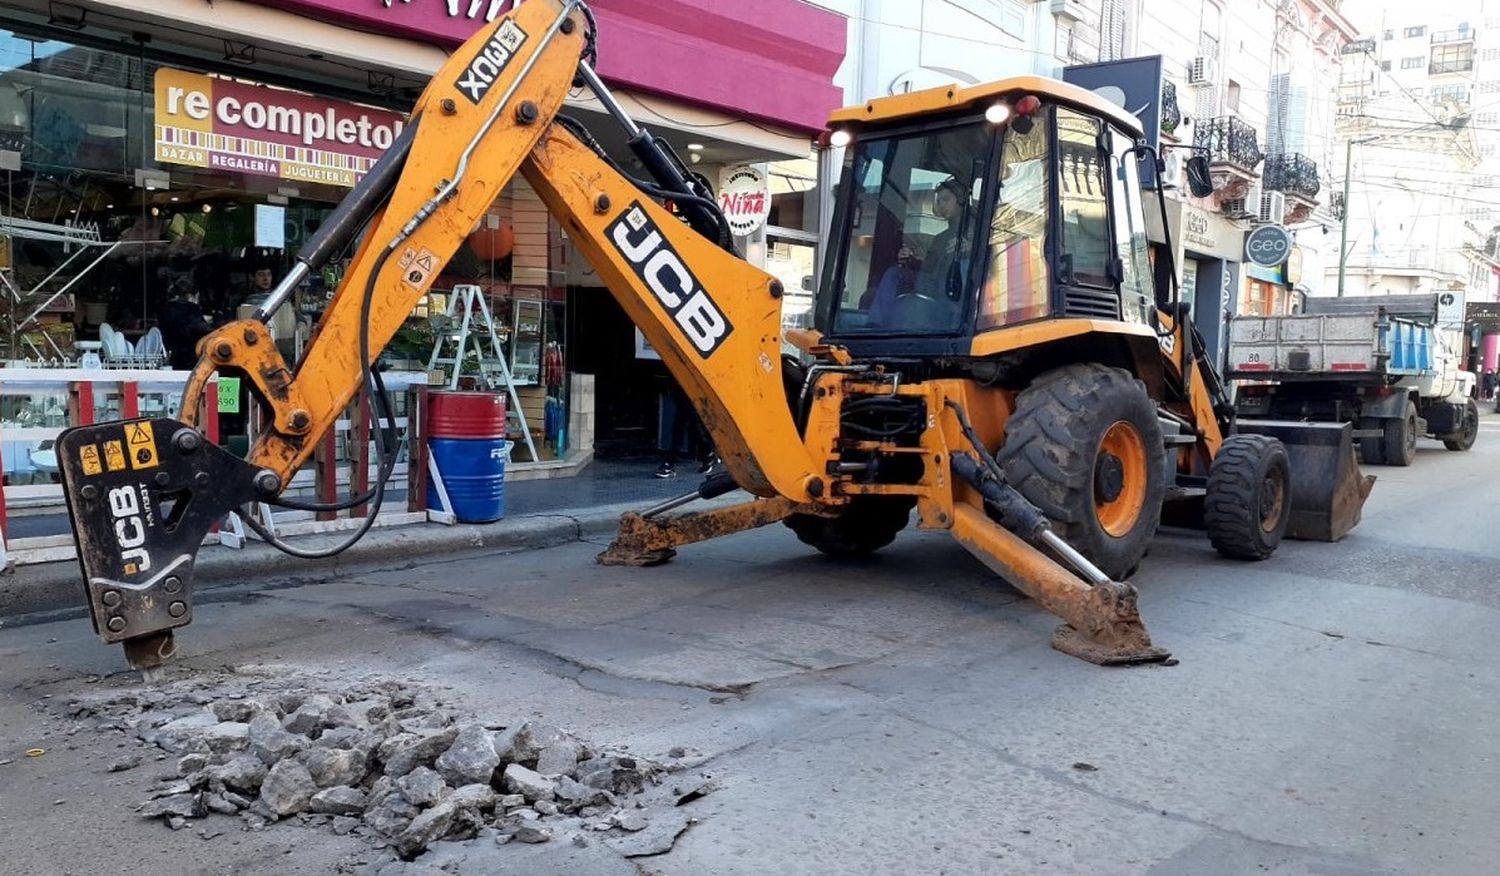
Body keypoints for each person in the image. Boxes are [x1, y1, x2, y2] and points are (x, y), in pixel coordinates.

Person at [157, 279, 213, 371]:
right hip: (189, 355)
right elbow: (198, 328)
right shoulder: (191, 309)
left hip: (171, 353)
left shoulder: (165, 309)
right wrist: (210, 326)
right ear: (191, 295)